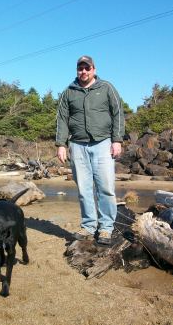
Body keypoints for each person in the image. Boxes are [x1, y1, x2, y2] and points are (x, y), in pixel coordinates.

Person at [56, 55, 125, 245]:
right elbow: (61, 119)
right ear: (77, 70)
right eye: (80, 68)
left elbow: (118, 112)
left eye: (87, 68)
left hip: (103, 143)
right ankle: (88, 226)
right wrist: (61, 144)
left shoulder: (106, 87)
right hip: (77, 145)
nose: (83, 72)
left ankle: (106, 228)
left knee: (106, 188)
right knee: (84, 190)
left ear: (94, 69)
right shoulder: (68, 92)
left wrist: (117, 140)